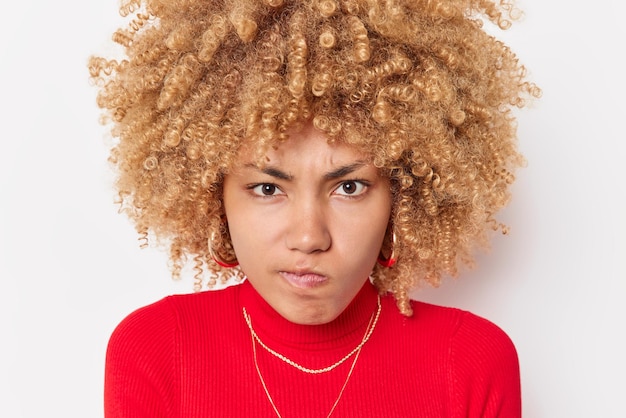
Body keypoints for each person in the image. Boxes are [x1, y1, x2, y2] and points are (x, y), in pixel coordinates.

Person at [89, 0, 540, 416]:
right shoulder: (157, 352)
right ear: (214, 195)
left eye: (349, 186)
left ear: (402, 198)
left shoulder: (469, 362)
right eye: (267, 188)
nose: (309, 237)